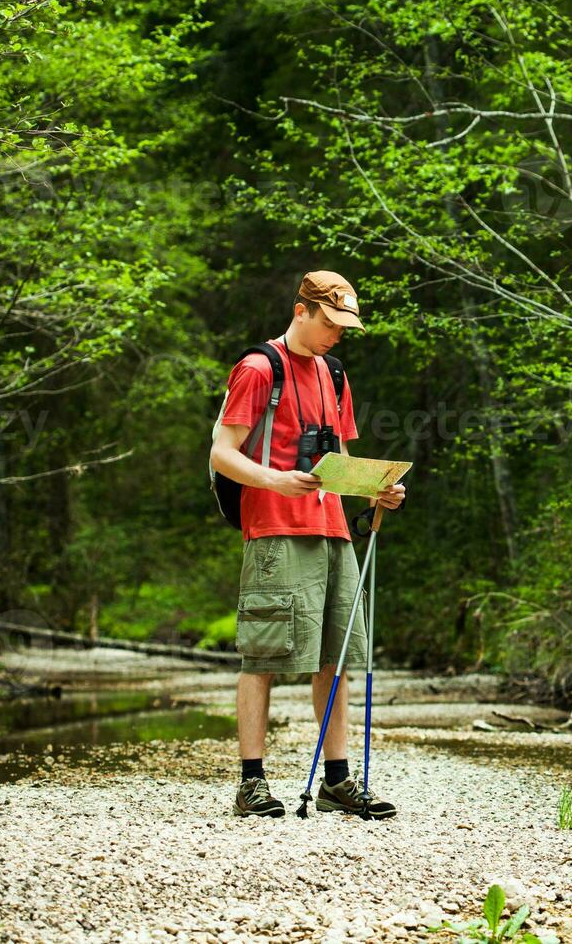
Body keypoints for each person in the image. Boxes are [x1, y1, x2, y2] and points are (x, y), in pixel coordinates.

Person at [209, 270, 406, 819]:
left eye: (345, 326)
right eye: (330, 322)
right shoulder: (257, 369)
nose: (337, 334)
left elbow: (340, 461)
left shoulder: (337, 375)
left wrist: (380, 491)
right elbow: (222, 453)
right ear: (302, 311)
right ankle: (251, 784)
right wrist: (274, 480)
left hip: (334, 531)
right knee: (264, 654)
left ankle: (337, 782)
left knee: (336, 659)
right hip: (274, 528)